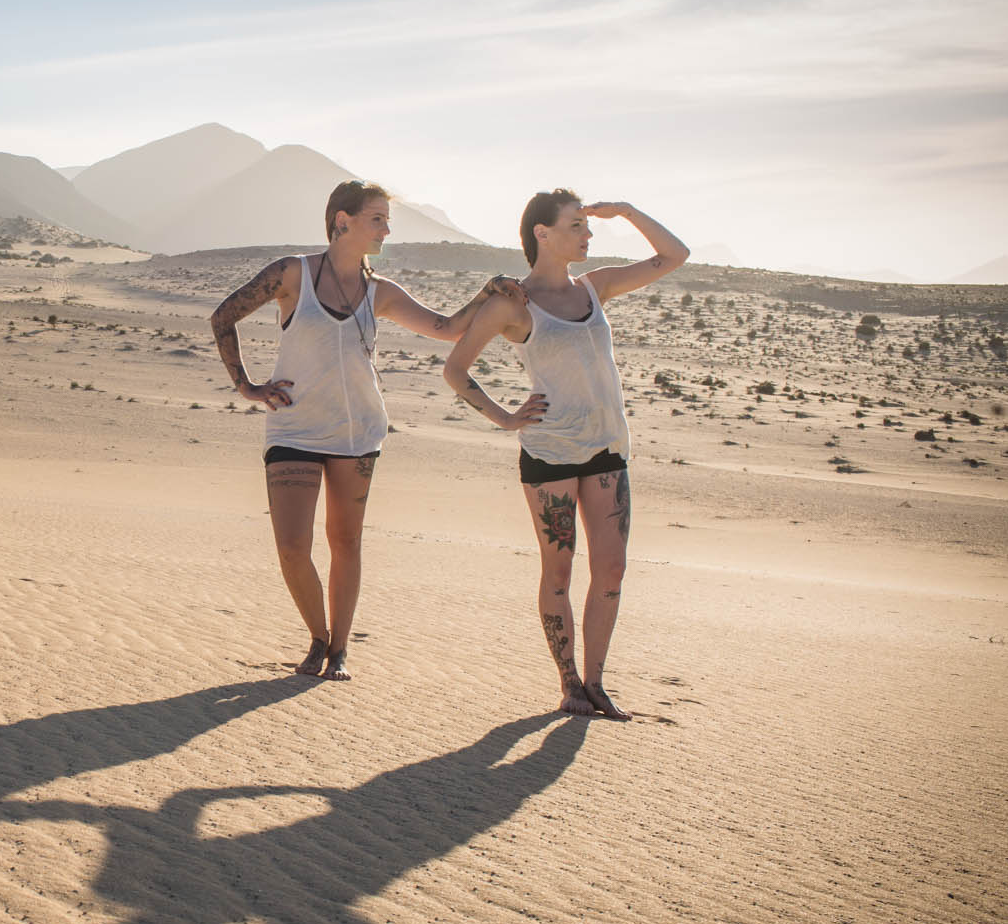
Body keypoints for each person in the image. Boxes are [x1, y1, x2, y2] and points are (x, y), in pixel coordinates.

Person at [209, 179, 528, 680]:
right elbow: (223, 316)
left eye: (386, 220)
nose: (386, 230)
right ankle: (317, 636)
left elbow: (447, 328)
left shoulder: (380, 292)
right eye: (377, 219)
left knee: (346, 542)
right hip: (294, 429)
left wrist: (487, 291)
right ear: (343, 221)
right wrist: (246, 385)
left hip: (357, 433)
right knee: (292, 547)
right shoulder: (292, 274)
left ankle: (338, 650)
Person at [443, 191, 688, 719]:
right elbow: (455, 369)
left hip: (607, 448)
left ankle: (596, 682)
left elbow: (675, 256)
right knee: (558, 570)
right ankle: (569, 682)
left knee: (612, 569)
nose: (588, 234)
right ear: (542, 233)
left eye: (587, 225)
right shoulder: (512, 304)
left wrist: (626, 212)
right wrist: (505, 417)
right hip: (550, 452)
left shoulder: (596, 287)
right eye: (576, 225)